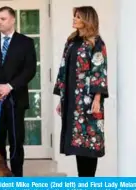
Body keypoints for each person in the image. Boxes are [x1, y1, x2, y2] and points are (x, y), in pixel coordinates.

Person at [0, 6, 37, 177]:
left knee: (16, 142)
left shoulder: (26, 42)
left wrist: (9, 86)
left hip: (16, 100)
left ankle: (17, 180)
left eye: (3, 19)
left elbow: (29, 70)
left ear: (12, 20)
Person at [53, 6, 109, 177]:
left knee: (90, 143)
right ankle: (82, 185)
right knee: (77, 143)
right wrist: (61, 99)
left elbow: (99, 70)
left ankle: (88, 185)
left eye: (78, 16)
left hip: (89, 101)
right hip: (72, 101)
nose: (74, 19)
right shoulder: (71, 41)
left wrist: (97, 99)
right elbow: (63, 69)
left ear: (87, 19)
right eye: (74, 16)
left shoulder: (96, 42)